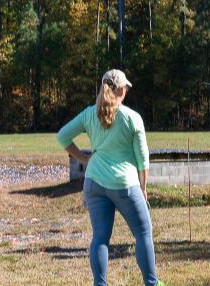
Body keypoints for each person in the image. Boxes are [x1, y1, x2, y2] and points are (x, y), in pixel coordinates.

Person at [57, 69, 164, 286]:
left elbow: (62, 136)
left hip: (94, 183)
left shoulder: (89, 114)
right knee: (143, 233)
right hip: (125, 185)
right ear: (122, 90)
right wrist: (143, 187)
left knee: (100, 237)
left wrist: (84, 158)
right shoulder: (133, 118)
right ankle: (152, 283)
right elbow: (143, 159)